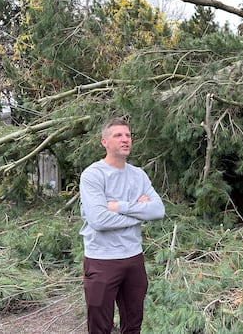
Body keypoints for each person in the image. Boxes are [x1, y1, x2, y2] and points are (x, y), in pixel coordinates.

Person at [79, 117, 165, 334]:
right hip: (101, 261)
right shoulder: (93, 175)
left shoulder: (138, 175)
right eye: (118, 135)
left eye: (128, 135)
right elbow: (99, 220)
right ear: (104, 142)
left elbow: (158, 211)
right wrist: (139, 212)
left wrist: (118, 206)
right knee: (100, 327)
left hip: (134, 260)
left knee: (133, 325)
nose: (125, 139)